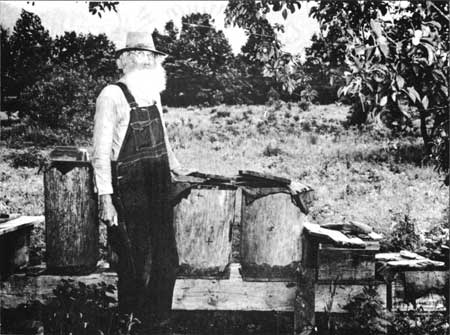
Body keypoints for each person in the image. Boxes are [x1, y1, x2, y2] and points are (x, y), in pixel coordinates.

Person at [92, 32, 183, 329]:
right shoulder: (111, 95)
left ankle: (159, 323)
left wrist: (178, 169)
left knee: (166, 258)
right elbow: (101, 153)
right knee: (134, 263)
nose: (151, 66)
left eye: (153, 61)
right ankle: (130, 323)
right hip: (128, 189)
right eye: (144, 60)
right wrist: (106, 199)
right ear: (129, 61)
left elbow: (165, 140)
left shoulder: (153, 94)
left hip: (157, 185)